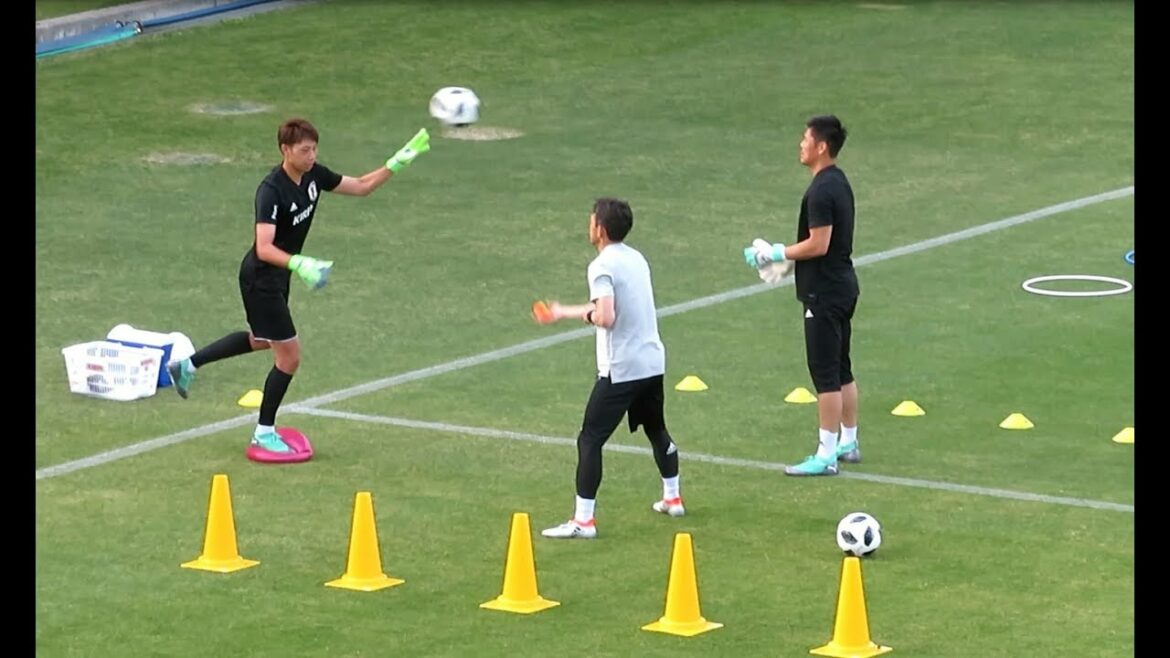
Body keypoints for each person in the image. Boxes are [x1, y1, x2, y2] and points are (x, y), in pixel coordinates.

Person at [166, 118, 431, 454]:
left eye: (314, 149)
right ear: (285, 150)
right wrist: (299, 262)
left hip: (277, 277)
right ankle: (263, 432)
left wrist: (399, 160)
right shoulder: (271, 190)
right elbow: (263, 246)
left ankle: (186, 365)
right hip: (261, 277)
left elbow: (362, 186)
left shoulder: (313, 176)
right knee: (289, 357)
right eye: (304, 150)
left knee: (263, 339)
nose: (311, 155)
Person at [534, 197, 683, 539]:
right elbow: (610, 304)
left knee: (590, 439)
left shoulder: (600, 266)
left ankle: (583, 520)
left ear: (599, 229)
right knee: (655, 428)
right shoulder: (636, 258)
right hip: (651, 361)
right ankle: (672, 496)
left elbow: (605, 315)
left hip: (622, 368)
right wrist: (562, 312)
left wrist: (584, 315)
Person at [744, 114, 860, 476]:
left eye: (806, 139)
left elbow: (819, 244)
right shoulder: (837, 182)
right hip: (842, 285)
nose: (801, 144)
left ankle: (825, 455)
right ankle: (849, 440)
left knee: (824, 373)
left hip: (824, 293)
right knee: (842, 368)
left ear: (821, 146)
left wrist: (777, 253)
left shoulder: (822, 190)